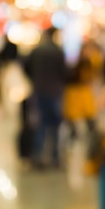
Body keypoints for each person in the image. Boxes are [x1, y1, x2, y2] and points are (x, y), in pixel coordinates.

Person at [24, 27, 66, 169]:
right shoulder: (57, 51)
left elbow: (26, 67)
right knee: (55, 125)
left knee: (40, 124)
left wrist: (35, 80)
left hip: (39, 90)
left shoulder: (37, 50)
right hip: (54, 91)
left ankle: (38, 156)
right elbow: (64, 72)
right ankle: (54, 157)